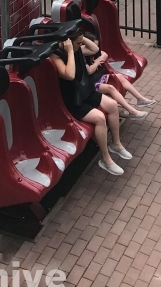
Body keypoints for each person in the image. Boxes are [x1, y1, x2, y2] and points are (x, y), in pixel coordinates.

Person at [50, 27, 129, 176]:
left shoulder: (77, 48)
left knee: (112, 105)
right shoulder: (57, 57)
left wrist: (79, 36)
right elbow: (69, 74)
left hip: (84, 92)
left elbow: (94, 49)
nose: (81, 46)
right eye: (79, 43)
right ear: (67, 44)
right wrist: (70, 51)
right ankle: (106, 160)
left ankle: (116, 145)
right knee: (100, 118)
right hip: (73, 101)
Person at [79, 30, 154, 117]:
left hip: (98, 78)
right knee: (110, 88)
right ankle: (132, 111)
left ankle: (140, 99)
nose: (96, 49)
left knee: (119, 77)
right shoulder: (82, 57)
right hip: (91, 84)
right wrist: (96, 63)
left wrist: (98, 59)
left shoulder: (93, 53)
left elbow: (104, 54)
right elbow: (89, 70)